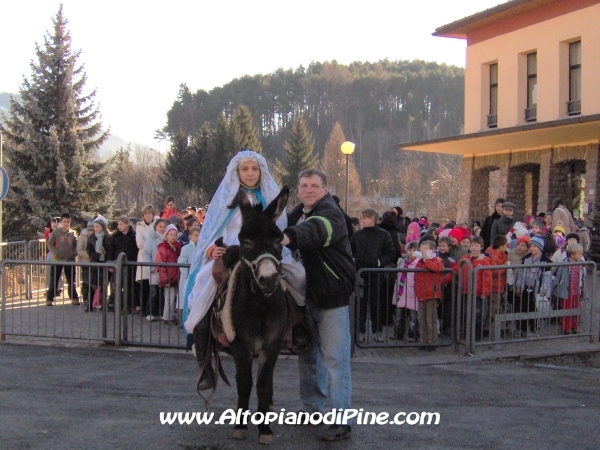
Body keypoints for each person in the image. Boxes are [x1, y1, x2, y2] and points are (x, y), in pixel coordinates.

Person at [184, 151, 307, 389]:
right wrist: (211, 249)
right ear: (237, 172)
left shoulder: (269, 197)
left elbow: (278, 228)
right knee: (203, 285)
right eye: (245, 169)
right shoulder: (226, 200)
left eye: (254, 169)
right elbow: (212, 229)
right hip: (231, 249)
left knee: (298, 274)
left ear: (261, 172)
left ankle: (298, 326)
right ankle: (203, 355)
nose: (250, 174)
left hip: (264, 251)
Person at [280, 168, 355, 442]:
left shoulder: (331, 213)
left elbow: (315, 232)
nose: (308, 189)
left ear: (324, 189)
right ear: (298, 190)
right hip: (304, 297)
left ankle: (341, 420)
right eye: (304, 185)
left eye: (314, 185)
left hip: (330, 297)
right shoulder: (294, 214)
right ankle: (312, 408)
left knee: (336, 360)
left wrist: (285, 237)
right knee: (308, 356)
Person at [351, 208, 396, 343]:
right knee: (360, 305)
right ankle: (360, 331)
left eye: (364, 218)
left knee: (376, 304)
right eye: (361, 218)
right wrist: (353, 262)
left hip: (376, 274)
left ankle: (377, 331)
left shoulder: (383, 235)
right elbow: (351, 250)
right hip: (360, 274)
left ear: (373, 219)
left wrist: (379, 262)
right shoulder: (357, 235)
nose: (362, 220)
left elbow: (391, 252)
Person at [454, 236, 491, 340]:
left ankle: (477, 335)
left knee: (477, 315)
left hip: (478, 293)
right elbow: (456, 269)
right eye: (472, 245)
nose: (474, 247)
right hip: (465, 291)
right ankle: (465, 334)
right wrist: (445, 278)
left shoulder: (484, 261)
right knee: (465, 313)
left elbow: (487, 278)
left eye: (476, 245)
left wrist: (485, 291)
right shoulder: (465, 258)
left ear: (481, 247)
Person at [514, 236, 552, 338]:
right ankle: (521, 328)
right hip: (525, 287)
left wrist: (543, 290)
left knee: (534, 309)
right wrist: (518, 285)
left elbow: (546, 277)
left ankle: (534, 329)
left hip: (536, 289)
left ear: (540, 248)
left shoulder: (545, 261)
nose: (532, 248)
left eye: (534, 246)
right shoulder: (526, 259)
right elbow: (521, 274)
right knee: (522, 307)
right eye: (531, 246)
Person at [414, 240, 444, 344]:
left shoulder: (437, 260)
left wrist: (426, 260)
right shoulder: (419, 262)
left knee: (430, 319)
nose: (422, 251)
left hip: (431, 294)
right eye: (421, 248)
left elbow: (436, 268)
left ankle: (432, 341)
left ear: (432, 250)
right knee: (421, 319)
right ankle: (423, 340)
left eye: (425, 248)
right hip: (421, 293)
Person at [46, 213, 79, 306]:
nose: (66, 223)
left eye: (68, 222)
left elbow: (76, 245)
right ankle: (49, 298)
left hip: (69, 260)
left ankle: (74, 297)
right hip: (57, 259)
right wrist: (55, 252)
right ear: (61, 222)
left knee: (71, 280)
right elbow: (50, 244)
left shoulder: (73, 233)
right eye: (64, 221)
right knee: (54, 280)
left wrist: (74, 253)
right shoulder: (56, 232)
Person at [553, 243, 586, 335]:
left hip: (577, 292)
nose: (581, 256)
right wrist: (552, 288)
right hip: (566, 292)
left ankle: (575, 326)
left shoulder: (581, 265)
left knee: (576, 310)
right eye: (579, 254)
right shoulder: (564, 265)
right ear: (572, 254)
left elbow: (583, 279)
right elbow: (558, 277)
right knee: (566, 311)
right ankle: (566, 327)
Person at [109, 216, 139, 312]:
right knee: (118, 285)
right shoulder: (115, 236)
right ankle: (117, 305)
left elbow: (136, 250)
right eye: (118, 224)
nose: (119, 226)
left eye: (121, 224)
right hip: (118, 265)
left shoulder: (134, 235)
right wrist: (111, 263)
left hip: (130, 264)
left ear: (127, 224)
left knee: (130, 286)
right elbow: (111, 250)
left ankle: (130, 305)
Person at [394, 241, 420, 342]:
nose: (412, 252)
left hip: (412, 292)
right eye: (410, 249)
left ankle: (412, 334)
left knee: (413, 316)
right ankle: (398, 333)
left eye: (414, 250)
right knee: (399, 314)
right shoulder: (402, 262)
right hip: (402, 292)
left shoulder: (418, 263)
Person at [156, 224, 182, 325]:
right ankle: (167, 316)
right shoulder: (163, 247)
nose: (173, 236)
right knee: (169, 298)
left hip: (175, 275)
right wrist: (165, 278)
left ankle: (171, 315)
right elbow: (160, 264)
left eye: (174, 234)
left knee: (173, 297)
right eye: (171, 234)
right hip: (168, 276)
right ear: (167, 235)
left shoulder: (177, 247)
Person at [86, 215, 112, 310]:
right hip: (95, 263)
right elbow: (88, 249)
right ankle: (91, 304)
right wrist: (96, 255)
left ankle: (103, 303)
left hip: (104, 264)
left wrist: (106, 258)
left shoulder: (108, 237)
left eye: (97, 226)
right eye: (94, 226)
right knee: (93, 285)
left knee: (104, 284)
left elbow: (110, 250)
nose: (95, 228)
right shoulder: (91, 237)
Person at [485, 235, 509, 336]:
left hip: (501, 285)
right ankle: (486, 328)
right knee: (493, 309)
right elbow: (494, 271)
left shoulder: (503, 254)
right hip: (494, 286)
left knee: (501, 308)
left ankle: (501, 328)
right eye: (505, 245)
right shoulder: (493, 255)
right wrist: (505, 267)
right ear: (501, 246)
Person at [136, 205, 157, 317]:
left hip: (156, 257)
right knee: (144, 285)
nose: (148, 216)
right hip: (143, 258)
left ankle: (153, 310)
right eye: (146, 214)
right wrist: (150, 244)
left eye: (150, 213)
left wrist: (150, 243)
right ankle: (144, 309)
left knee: (155, 286)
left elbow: (160, 238)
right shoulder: (139, 226)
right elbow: (139, 243)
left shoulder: (157, 224)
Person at [178, 226, 200, 323]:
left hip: (197, 278)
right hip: (187, 278)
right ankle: (183, 320)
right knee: (184, 298)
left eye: (199, 235)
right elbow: (182, 261)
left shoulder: (201, 248)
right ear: (190, 236)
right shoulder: (186, 248)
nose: (197, 237)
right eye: (195, 235)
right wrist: (186, 274)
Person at [77, 219, 94, 311]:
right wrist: (90, 255)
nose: (92, 231)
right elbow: (79, 250)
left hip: (95, 263)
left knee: (94, 283)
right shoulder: (83, 237)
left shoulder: (98, 236)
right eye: (90, 229)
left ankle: (95, 301)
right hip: (86, 263)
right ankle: (86, 300)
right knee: (86, 283)